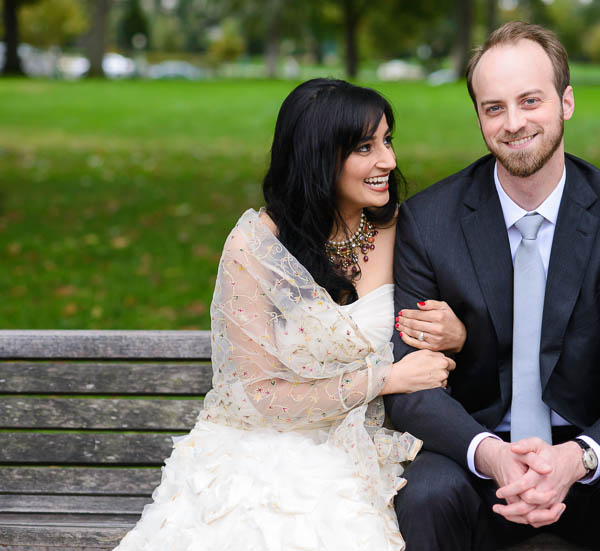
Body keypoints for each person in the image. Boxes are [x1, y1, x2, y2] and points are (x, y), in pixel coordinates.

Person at [388, 21, 600, 551]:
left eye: (530, 101)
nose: (513, 123)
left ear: (567, 102)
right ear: (479, 117)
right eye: (494, 108)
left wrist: (574, 460)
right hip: (480, 457)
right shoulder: (429, 222)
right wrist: (490, 453)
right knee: (425, 494)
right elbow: (413, 388)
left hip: (594, 456)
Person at [114, 78, 461, 551]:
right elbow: (257, 397)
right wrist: (385, 379)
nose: (389, 161)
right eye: (365, 147)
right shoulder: (255, 247)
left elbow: (462, 328)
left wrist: (457, 333)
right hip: (263, 443)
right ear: (319, 157)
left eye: (387, 140)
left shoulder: (409, 230)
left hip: (366, 444)